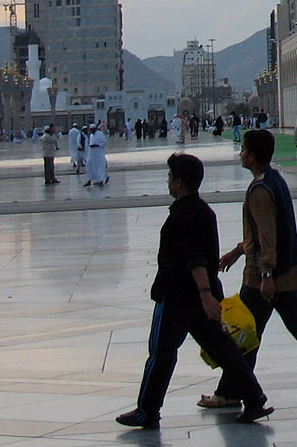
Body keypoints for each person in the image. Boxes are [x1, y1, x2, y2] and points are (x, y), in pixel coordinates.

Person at [115, 152, 271, 428]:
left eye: (170, 177)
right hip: (202, 298)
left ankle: (147, 411)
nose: (168, 181)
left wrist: (204, 294)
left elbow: (195, 258)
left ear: (178, 183)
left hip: (178, 298)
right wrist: (208, 294)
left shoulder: (181, 217)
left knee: (161, 354)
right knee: (224, 350)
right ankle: (254, 397)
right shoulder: (204, 211)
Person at [202, 129, 297, 410]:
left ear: (253, 156)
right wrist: (237, 251)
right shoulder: (274, 180)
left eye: (244, 149)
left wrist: (266, 275)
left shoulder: (259, 190)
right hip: (286, 276)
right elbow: (265, 233)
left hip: (264, 280)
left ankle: (229, 392)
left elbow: (268, 236)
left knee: (243, 335)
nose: (241, 153)